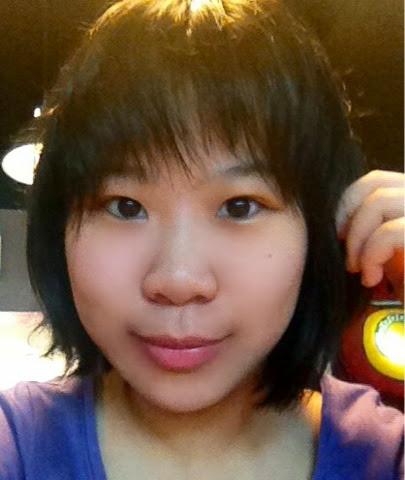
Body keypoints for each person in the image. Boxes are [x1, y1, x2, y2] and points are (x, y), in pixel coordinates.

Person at [0, 0, 403, 478]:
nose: (178, 281)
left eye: (240, 206)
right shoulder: (18, 444)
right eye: (125, 206)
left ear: (319, 231)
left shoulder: (384, 453)